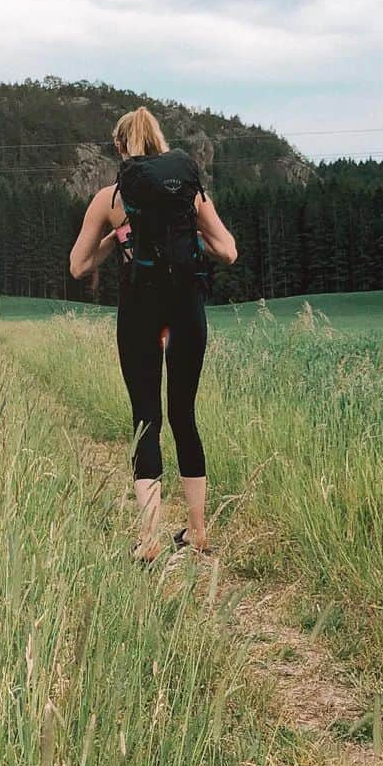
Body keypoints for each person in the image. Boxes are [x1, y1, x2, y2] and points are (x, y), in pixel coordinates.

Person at [68, 106, 237, 562]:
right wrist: (188, 237)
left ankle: (149, 539)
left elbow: (79, 266)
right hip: (186, 309)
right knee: (183, 415)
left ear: (122, 147)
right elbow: (229, 251)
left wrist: (118, 235)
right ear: (161, 143)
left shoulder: (111, 198)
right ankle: (198, 532)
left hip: (140, 312)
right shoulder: (190, 195)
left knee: (146, 417)